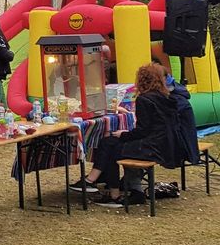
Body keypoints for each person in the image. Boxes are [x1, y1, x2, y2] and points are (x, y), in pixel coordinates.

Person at [70, 64, 182, 207]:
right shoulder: (166, 98)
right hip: (165, 145)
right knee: (109, 142)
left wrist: (123, 134)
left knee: (110, 147)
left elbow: (143, 131)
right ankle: (96, 183)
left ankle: (102, 187)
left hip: (152, 148)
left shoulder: (144, 100)